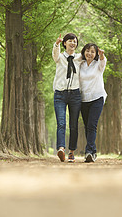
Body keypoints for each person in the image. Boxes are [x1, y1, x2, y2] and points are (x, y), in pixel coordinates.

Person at [52, 33, 82, 163]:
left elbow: (90, 56)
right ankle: (61, 149)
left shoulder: (79, 58)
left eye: (74, 41)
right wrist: (56, 44)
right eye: (70, 41)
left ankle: (71, 152)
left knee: (73, 125)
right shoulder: (60, 57)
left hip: (75, 94)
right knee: (61, 123)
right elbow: (55, 54)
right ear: (65, 43)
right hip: (60, 94)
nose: (72, 43)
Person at [79, 43, 107, 163]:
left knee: (92, 125)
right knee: (87, 126)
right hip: (83, 99)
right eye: (87, 51)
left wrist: (101, 56)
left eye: (92, 52)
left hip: (97, 97)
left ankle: (89, 152)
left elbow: (103, 62)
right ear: (84, 52)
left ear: (95, 54)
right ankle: (93, 151)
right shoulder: (80, 65)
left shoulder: (98, 65)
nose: (89, 53)